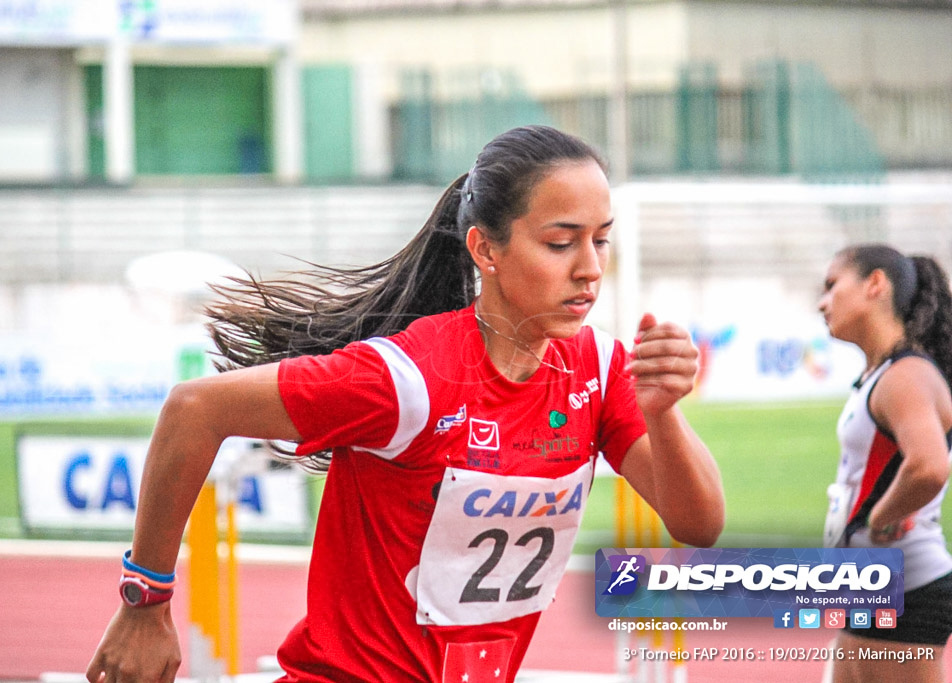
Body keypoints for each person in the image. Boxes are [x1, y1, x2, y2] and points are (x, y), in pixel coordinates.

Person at [86, 125, 725, 683]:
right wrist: (146, 602)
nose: (590, 268)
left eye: (602, 240)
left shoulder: (599, 368)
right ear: (486, 250)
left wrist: (663, 413)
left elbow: (699, 526)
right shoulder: (408, 381)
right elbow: (194, 408)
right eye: (561, 243)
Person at [818, 243, 952, 683]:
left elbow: (929, 466)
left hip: (904, 581)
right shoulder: (883, 375)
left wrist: (881, 517)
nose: (822, 302)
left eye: (832, 285)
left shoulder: (905, 376)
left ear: (875, 284)